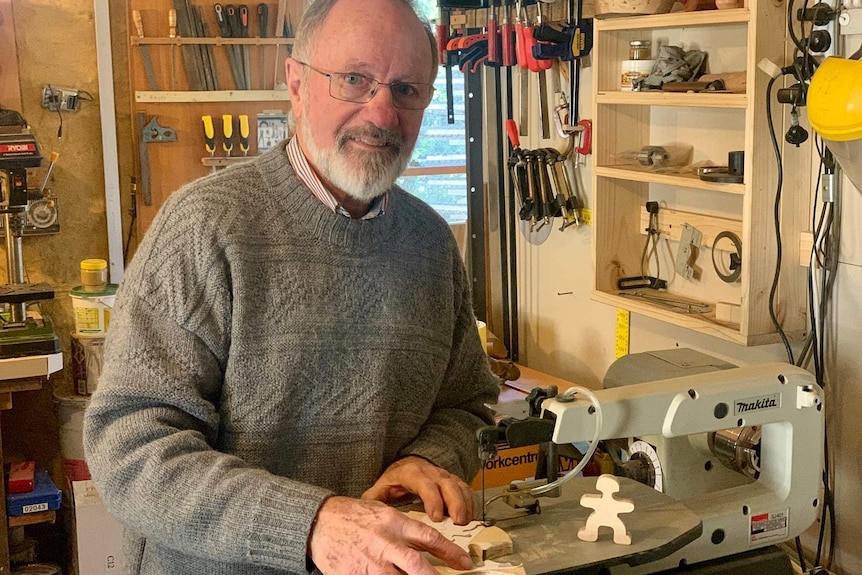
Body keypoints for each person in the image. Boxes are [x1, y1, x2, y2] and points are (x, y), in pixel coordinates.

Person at [83, 0, 500, 574]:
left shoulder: (428, 240)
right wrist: (310, 525)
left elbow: (465, 404)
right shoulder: (205, 226)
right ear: (297, 83)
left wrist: (426, 460)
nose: (382, 113)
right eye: (355, 80)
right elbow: (128, 448)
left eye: (407, 89)